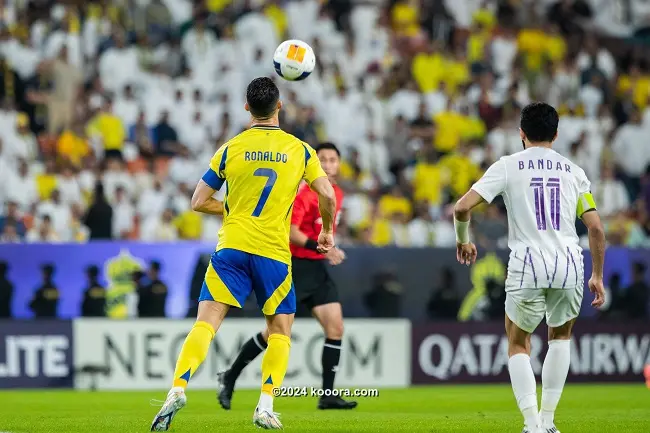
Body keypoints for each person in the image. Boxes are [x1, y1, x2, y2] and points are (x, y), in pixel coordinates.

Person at [150, 77, 336, 431]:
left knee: (206, 323)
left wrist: (235, 209)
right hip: (273, 254)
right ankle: (265, 405)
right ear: (279, 106)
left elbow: (198, 201)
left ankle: (177, 388)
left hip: (231, 248)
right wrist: (326, 230)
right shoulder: (300, 150)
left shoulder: (230, 148)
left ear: (247, 108)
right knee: (280, 329)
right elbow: (326, 193)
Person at [453, 102, 606, 433]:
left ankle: (531, 424)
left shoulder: (508, 166)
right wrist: (597, 274)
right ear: (556, 134)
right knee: (560, 338)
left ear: (521, 133)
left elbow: (462, 207)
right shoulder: (574, 172)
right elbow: (595, 228)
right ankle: (549, 421)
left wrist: (463, 240)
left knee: (518, 342)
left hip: (528, 262)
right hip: (569, 262)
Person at [217, 142, 356, 411]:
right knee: (272, 333)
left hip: (317, 269)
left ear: (339, 164)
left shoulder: (335, 192)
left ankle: (327, 394)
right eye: (323, 160)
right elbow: (291, 231)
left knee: (335, 328)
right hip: (294, 267)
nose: (328, 165)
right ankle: (230, 376)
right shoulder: (305, 194)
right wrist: (323, 249)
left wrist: (325, 251)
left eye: (332, 160)